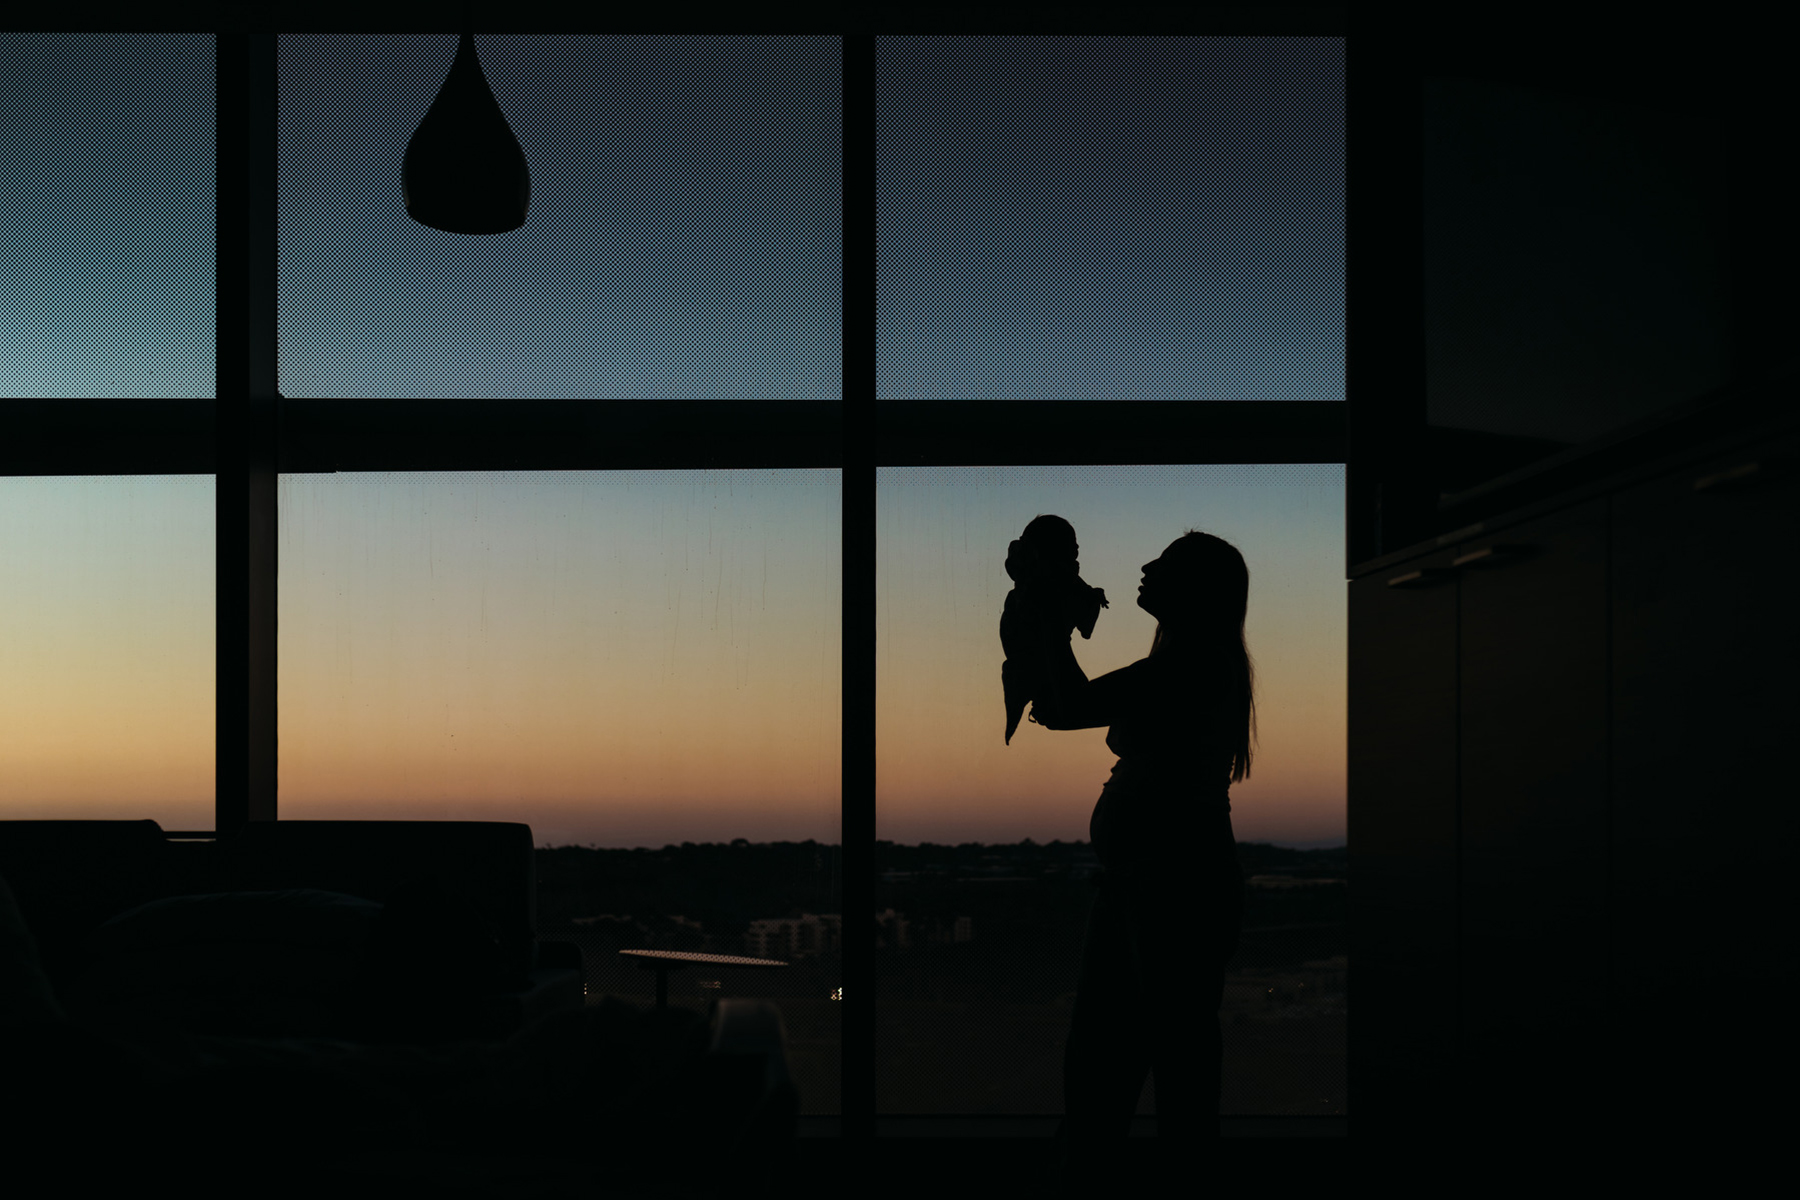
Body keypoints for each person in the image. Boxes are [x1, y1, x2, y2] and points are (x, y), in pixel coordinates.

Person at [1029, 530, 1253, 1181]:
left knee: (1132, 1061)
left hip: (1170, 891)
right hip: (1150, 887)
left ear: (1197, 590)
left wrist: (1049, 617)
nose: (1147, 566)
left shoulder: (1192, 666)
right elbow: (1073, 705)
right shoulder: (1195, 663)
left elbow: (1070, 706)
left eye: (1167, 564)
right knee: (1127, 1059)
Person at [998, 515, 1108, 744]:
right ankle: (1039, 701)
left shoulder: (1046, 574)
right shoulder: (1046, 575)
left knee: (1035, 678)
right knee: (1034, 674)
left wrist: (1091, 594)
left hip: (1029, 645)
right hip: (1027, 640)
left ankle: (1039, 701)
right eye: (1070, 546)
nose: (1076, 553)